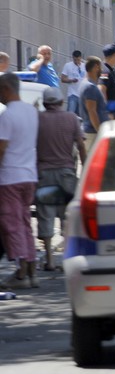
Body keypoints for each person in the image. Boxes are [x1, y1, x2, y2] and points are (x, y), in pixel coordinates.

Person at [35, 87, 86, 272]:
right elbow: (80, 145)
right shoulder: (71, 118)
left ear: (45, 102)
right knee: (67, 216)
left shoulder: (37, 119)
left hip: (44, 173)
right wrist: (86, 166)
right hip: (67, 173)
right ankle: (67, 257)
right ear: (60, 101)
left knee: (45, 214)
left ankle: (49, 258)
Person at [0, 73, 39, 289]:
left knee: (11, 223)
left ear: (6, 89)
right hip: (29, 175)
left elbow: (1, 149)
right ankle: (31, 267)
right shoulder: (31, 112)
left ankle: (21, 271)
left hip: (10, 177)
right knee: (24, 222)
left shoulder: (7, 116)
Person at [79, 56, 109, 150]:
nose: (101, 70)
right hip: (93, 134)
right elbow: (92, 111)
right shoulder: (90, 87)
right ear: (96, 67)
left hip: (92, 132)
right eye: (100, 67)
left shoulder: (86, 84)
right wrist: (100, 132)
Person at [61, 50, 86, 116]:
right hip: (72, 94)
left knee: (81, 115)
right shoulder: (68, 65)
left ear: (81, 58)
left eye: (78, 60)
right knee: (70, 113)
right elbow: (63, 79)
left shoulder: (85, 66)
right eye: (75, 60)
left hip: (82, 94)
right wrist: (71, 80)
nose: (77, 62)